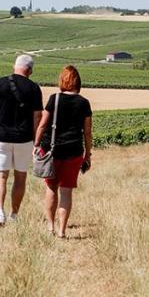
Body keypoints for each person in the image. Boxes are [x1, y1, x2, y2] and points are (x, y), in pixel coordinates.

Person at [32, 65, 93, 238]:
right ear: (78, 82)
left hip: (51, 150)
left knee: (51, 188)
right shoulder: (84, 103)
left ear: (62, 81)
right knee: (66, 191)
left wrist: (36, 144)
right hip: (74, 150)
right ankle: (62, 230)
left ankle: (50, 226)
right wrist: (87, 154)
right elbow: (87, 132)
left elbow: (43, 124)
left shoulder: (54, 99)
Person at [0, 54, 43, 226]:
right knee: (20, 178)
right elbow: (37, 117)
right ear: (30, 70)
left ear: (15, 66)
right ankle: (14, 214)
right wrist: (35, 140)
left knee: (0, 177)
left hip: (0, 137)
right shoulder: (34, 88)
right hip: (24, 139)